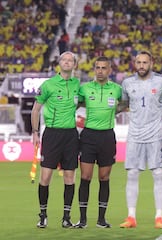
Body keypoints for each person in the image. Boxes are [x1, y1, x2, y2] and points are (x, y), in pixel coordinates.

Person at [119, 50, 162, 229]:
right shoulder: (127, 83)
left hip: (155, 136)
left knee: (158, 174)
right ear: (135, 64)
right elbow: (123, 103)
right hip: (135, 134)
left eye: (145, 62)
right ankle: (131, 217)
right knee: (132, 174)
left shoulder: (161, 82)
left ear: (151, 63)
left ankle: (159, 217)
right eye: (138, 62)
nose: (141, 66)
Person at [31, 51, 80, 228]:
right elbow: (36, 109)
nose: (67, 62)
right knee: (45, 177)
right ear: (59, 64)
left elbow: (83, 102)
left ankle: (66, 218)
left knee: (70, 177)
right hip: (52, 135)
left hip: (71, 136)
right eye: (64, 60)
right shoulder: (48, 85)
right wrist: (35, 132)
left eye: (70, 60)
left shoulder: (77, 85)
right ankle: (43, 215)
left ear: (75, 64)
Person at [74, 56, 122, 229]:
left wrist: (116, 111)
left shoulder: (117, 89)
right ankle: (83, 219)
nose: (100, 70)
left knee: (104, 177)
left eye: (104, 67)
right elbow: (74, 104)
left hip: (107, 137)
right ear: (94, 69)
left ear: (109, 70)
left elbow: (125, 104)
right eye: (97, 67)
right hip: (88, 137)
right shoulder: (85, 89)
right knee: (85, 177)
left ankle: (101, 219)